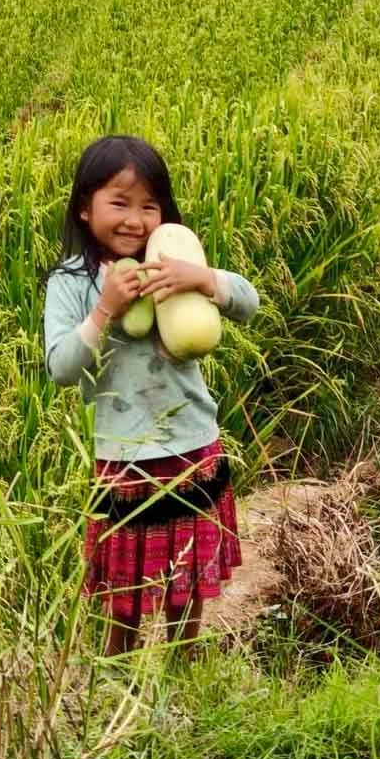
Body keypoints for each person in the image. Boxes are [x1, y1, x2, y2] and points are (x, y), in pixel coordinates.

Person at [44, 135, 259, 655]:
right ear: (84, 208)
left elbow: (247, 303)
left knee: (187, 579)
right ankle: (121, 673)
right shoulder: (71, 282)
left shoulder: (172, 262)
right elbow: (60, 368)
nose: (134, 220)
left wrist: (204, 278)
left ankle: (186, 663)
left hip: (192, 444)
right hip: (123, 457)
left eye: (148, 206)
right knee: (126, 591)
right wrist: (105, 311)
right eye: (118, 203)